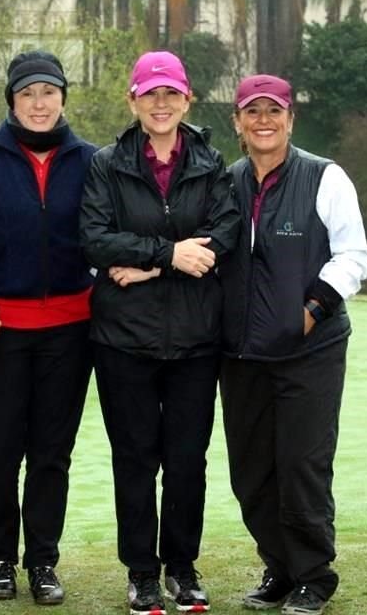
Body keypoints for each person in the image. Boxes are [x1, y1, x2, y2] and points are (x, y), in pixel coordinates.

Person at [79, 51, 240, 615]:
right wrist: (172, 252)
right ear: (133, 100)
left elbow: (223, 233)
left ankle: (182, 568)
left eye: (171, 93)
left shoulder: (211, 162)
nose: (161, 103)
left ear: (187, 99)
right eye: (150, 94)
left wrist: (153, 263)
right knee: (135, 458)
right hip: (124, 339)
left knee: (187, 459)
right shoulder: (107, 164)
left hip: (197, 339)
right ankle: (142, 573)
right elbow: (96, 240)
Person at [0, 50, 96, 606]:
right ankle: (1, 560)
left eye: (49, 92)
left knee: (52, 450)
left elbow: (99, 235)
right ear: (12, 98)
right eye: (28, 93)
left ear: (62, 97)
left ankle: (43, 562)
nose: (39, 103)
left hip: (70, 328)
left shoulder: (88, 158)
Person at [218, 74, 367, 615]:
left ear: (290, 118)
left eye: (273, 111)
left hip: (310, 350)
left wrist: (309, 314)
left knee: (302, 463)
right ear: (237, 122)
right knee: (252, 471)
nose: (264, 120)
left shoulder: (325, 177)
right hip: (241, 354)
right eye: (252, 112)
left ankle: (313, 576)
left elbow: (352, 257)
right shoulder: (226, 182)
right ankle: (279, 569)